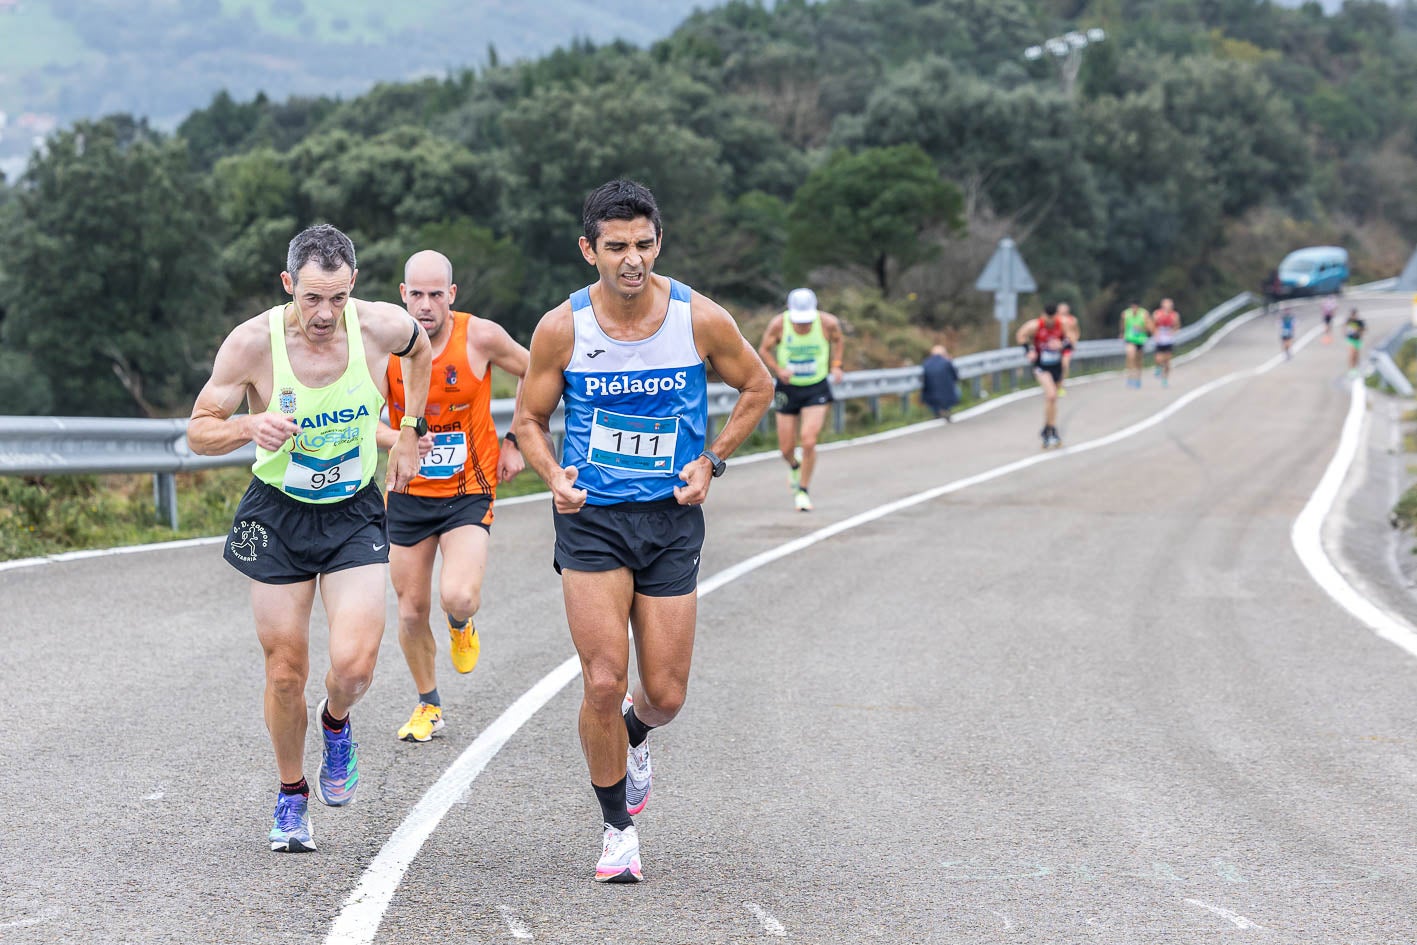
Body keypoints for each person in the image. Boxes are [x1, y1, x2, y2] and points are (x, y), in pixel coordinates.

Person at [513, 180, 773, 883]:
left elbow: (758, 385)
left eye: (644, 244)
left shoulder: (698, 319)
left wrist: (711, 461)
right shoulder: (562, 328)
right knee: (602, 680)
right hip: (592, 519)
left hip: (669, 519)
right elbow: (527, 420)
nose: (632, 259)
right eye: (617, 247)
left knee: (663, 694)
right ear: (588, 249)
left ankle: (634, 734)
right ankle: (615, 830)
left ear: (658, 241)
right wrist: (552, 477)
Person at [187, 224, 432, 853]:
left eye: (337, 299)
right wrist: (249, 425)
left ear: (354, 286)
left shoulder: (378, 326)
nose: (324, 315)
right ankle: (292, 794)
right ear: (288, 284)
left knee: (352, 667)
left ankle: (338, 723)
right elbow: (198, 430)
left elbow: (422, 348)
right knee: (286, 672)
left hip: (351, 511)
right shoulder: (250, 344)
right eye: (311, 299)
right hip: (277, 514)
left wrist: (408, 427)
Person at [378, 250, 529, 743]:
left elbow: (535, 371)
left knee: (457, 595)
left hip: (468, 488)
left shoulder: (479, 336)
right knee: (409, 609)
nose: (425, 306)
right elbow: (364, 412)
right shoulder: (383, 346)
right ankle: (428, 705)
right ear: (403, 295)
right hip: (407, 491)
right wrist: (395, 438)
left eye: (435, 295)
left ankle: (461, 623)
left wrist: (515, 439)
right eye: (416, 295)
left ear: (452, 295)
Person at [757, 288, 846, 511]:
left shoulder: (828, 323)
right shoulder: (778, 324)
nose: (804, 326)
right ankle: (794, 466)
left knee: (808, 441)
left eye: (807, 321)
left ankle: (803, 491)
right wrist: (778, 369)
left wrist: (836, 365)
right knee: (786, 449)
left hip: (816, 387)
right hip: (788, 389)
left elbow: (839, 341)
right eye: (799, 322)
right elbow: (764, 350)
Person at [1017, 303, 1069, 449]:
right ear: (1043, 315)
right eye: (1048, 318)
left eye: (1053, 319)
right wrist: (1028, 350)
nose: (1050, 322)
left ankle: (1049, 429)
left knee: (1053, 401)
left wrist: (1062, 344)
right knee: (1051, 395)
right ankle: (1050, 430)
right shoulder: (1035, 325)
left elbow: (1071, 340)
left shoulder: (1062, 324)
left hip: (1057, 366)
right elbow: (1021, 335)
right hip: (1042, 366)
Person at [920, 344, 960, 420]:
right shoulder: (947, 362)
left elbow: (924, 381)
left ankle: (937, 412)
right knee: (955, 388)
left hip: (931, 396)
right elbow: (955, 377)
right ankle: (946, 410)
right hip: (948, 394)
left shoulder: (926, 363)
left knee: (930, 394)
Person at [1120, 300, 1151, 388]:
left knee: (1138, 360)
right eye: (1132, 308)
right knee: (1130, 356)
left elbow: (1148, 327)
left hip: (1140, 339)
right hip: (1129, 338)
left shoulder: (1144, 314)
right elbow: (1122, 325)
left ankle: (1138, 378)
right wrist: (1122, 333)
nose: (1134, 310)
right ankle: (1130, 377)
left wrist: (1141, 328)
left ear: (1138, 307)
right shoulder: (1125, 314)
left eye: (1135, 308)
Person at [1151, 298, 1181, 387]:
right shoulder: (1157, 314)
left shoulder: (1175, 315)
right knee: (1159, 358)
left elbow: (1177, 327)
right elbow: (1152, 325)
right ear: (1162, 306)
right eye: (1166, 305)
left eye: (1170, 305)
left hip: (1168, 340)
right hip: (1160, 339)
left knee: (1167, 361)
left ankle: (1165, 379)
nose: (1168, 307)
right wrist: (1155, 333)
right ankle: (1158, 367)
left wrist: (1173, 331)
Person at [1056, 302, 1081, 394]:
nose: (1063, 310)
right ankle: (1055, 383)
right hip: (1056, 346)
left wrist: (1074, 341)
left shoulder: (1072, 320)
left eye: (1064, 308)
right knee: (1055, 366)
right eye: (1061, 309)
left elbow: (1076, 332)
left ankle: (1061, 385)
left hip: (1067, 345)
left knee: (1064, 365)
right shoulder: (1054, 319)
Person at [1345, 308, 1366, 373]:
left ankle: (1356, 368)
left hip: (1358, 340)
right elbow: (1345, 327)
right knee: (1352, 354)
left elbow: (1364, 329)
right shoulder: (1349, 320)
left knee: (1356, 354)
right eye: (1352, 314)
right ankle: (1351, 368)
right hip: (1351, 339)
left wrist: (1359, 331)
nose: (1353, 315)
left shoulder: (1359, 321)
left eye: (1354, 314)